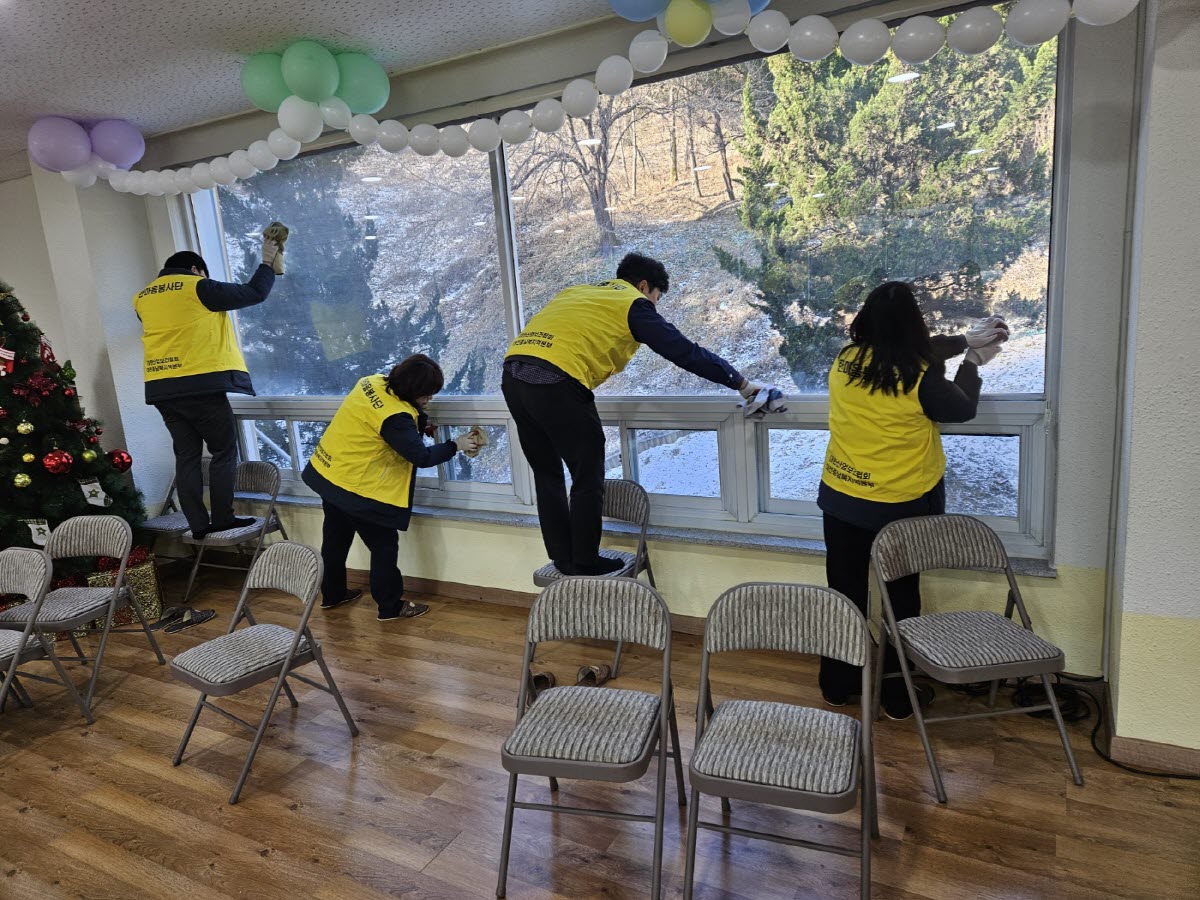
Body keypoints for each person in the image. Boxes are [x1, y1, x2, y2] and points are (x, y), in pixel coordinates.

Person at [503, 252, 764, 576]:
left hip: (514, 374)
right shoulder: (633, 304)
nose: (654, 306)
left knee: (547, 473)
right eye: (656, 298)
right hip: (556, 379)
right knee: (587, 472)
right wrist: (741, 383)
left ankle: (562, 557)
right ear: (643, 286)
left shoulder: (577, 292)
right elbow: (684, 351)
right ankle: (584, 561)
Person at [818, 281, 1008, 720]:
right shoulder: (920, 375)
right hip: (899, 506)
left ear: (865, 321)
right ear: (913, 327)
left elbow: (914, 354)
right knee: (901, 602)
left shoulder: (846, 360)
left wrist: (963, 340)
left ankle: (837, 684)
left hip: (841, 499)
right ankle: (898, 696)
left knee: (844, 594)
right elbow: (960, 408)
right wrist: (972, 361)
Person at [302, 355, 482, 621]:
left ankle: (333, 594)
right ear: (412, 390)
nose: (429, 399)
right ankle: (390, 607)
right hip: (358, 489)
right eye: (426, 394)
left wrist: (417, 427)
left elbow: (381, 423)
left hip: (330, 475)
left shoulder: (371, 382)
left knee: (335, 541)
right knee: (384, 547)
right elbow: (421, 457)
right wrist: (456, 445)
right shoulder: (396, 417)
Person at [135, 241, 279, 540]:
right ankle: (223, 519)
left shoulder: (143, 297)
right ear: (195, 269)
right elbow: (254, 293)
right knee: (223, 452)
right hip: (200, 384)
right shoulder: (197, 286)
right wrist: (267, 263)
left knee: (186, 456)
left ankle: (199, 525)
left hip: (161, 388)